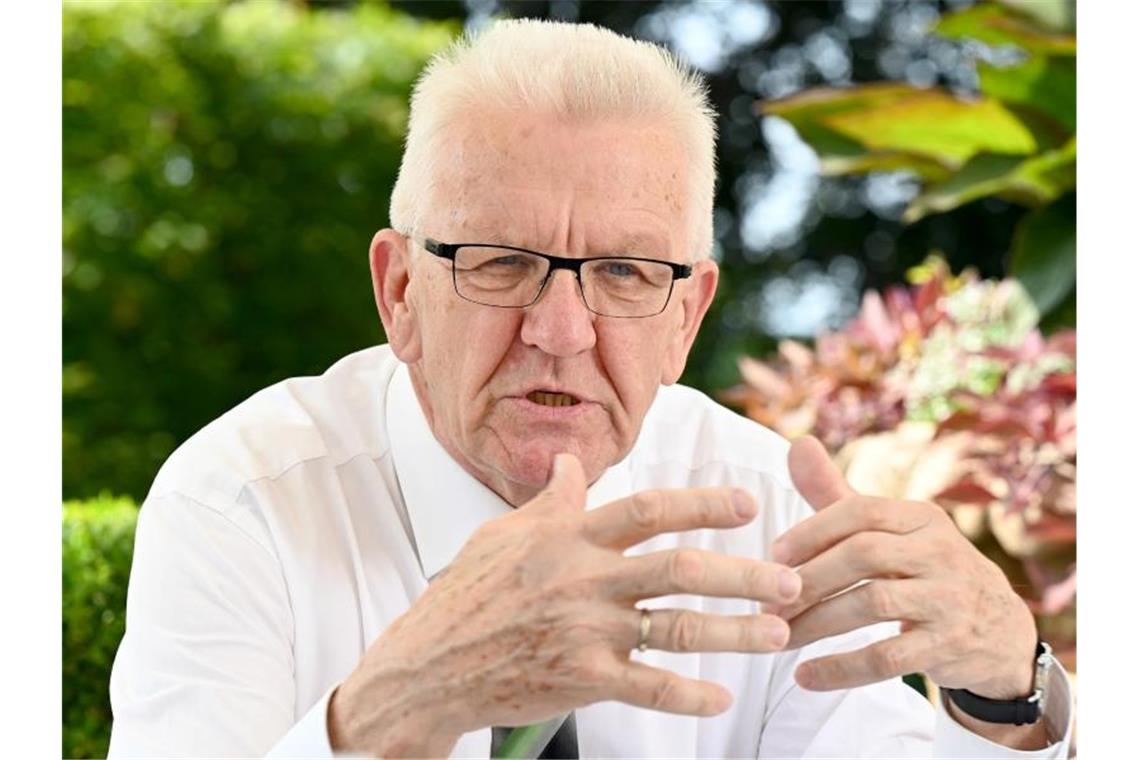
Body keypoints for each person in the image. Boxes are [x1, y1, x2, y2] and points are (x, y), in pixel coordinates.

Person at [107, 19, 1072, 759]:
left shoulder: (764, 502)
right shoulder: (243, 502)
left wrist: (1007, 684)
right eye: (497, 262)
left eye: (624, 273)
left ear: (687, 319)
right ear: (399, 291)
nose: (560, 331)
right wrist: (395, 708)